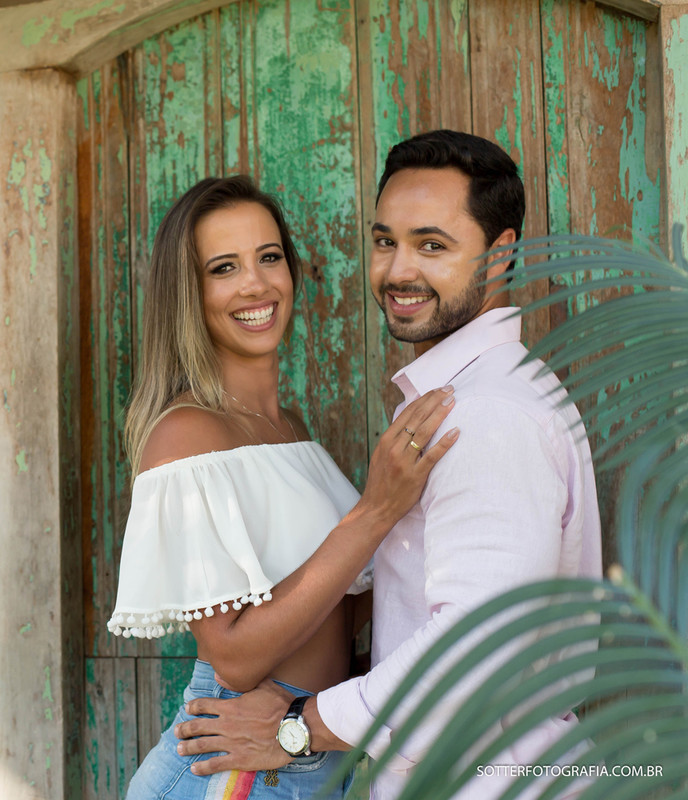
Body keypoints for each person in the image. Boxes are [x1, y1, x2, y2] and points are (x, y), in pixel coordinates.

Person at [173, 130, 604, 800]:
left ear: (502, 252)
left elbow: (472, 649)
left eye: (432, 245)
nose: (398, 271)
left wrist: (297, 727)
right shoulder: (478, 397)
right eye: (385, 241)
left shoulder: (486, 416)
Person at [110, 174, 460, 799]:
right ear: (189, 293)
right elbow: (235, 657)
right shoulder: (188, 433)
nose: (255, 283)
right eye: (223, 267)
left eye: (268, 257)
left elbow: (331, 608)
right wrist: (376, 513)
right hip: (235, 768)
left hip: (303, 745)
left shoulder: (289, 428)